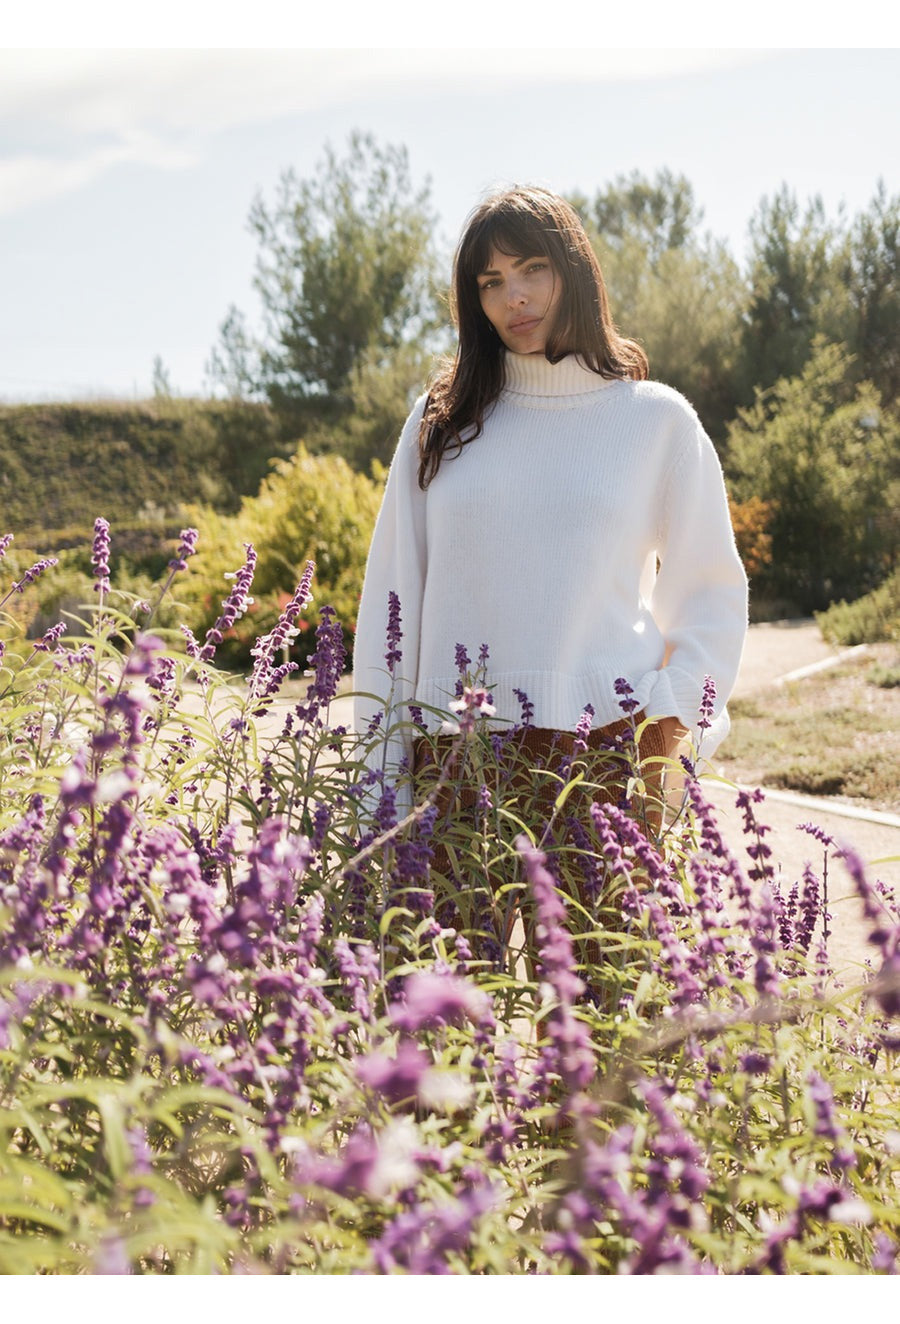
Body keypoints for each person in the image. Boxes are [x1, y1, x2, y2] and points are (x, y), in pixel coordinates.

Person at [353, 185, 748, 850]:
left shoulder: (655, 421)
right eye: (492, 281)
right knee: (448, 958)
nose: (516, 297)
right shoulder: (441, 422)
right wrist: (377, 787)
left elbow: (711, 596)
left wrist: (668, 732)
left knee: (609, 961)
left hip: (605, 760)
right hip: (456, 760)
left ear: (573, 272)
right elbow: (391, 601)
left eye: (533, 269)